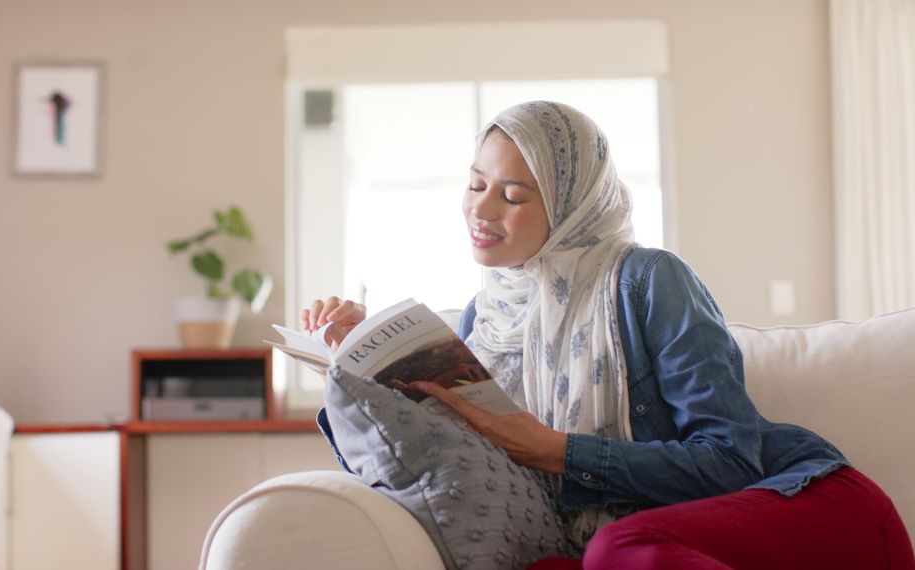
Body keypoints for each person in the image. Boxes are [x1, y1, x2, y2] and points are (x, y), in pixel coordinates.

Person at [304, 101, 914, 569]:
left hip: (810, 506)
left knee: (621, 549)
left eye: (513, 195)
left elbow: (732, 460)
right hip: (642, 551)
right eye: (475, 184)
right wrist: (364, 358)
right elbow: (456, 470)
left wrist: (555, 449)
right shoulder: (481, 321)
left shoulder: (648, 281)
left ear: (572, 205)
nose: (481, 210)